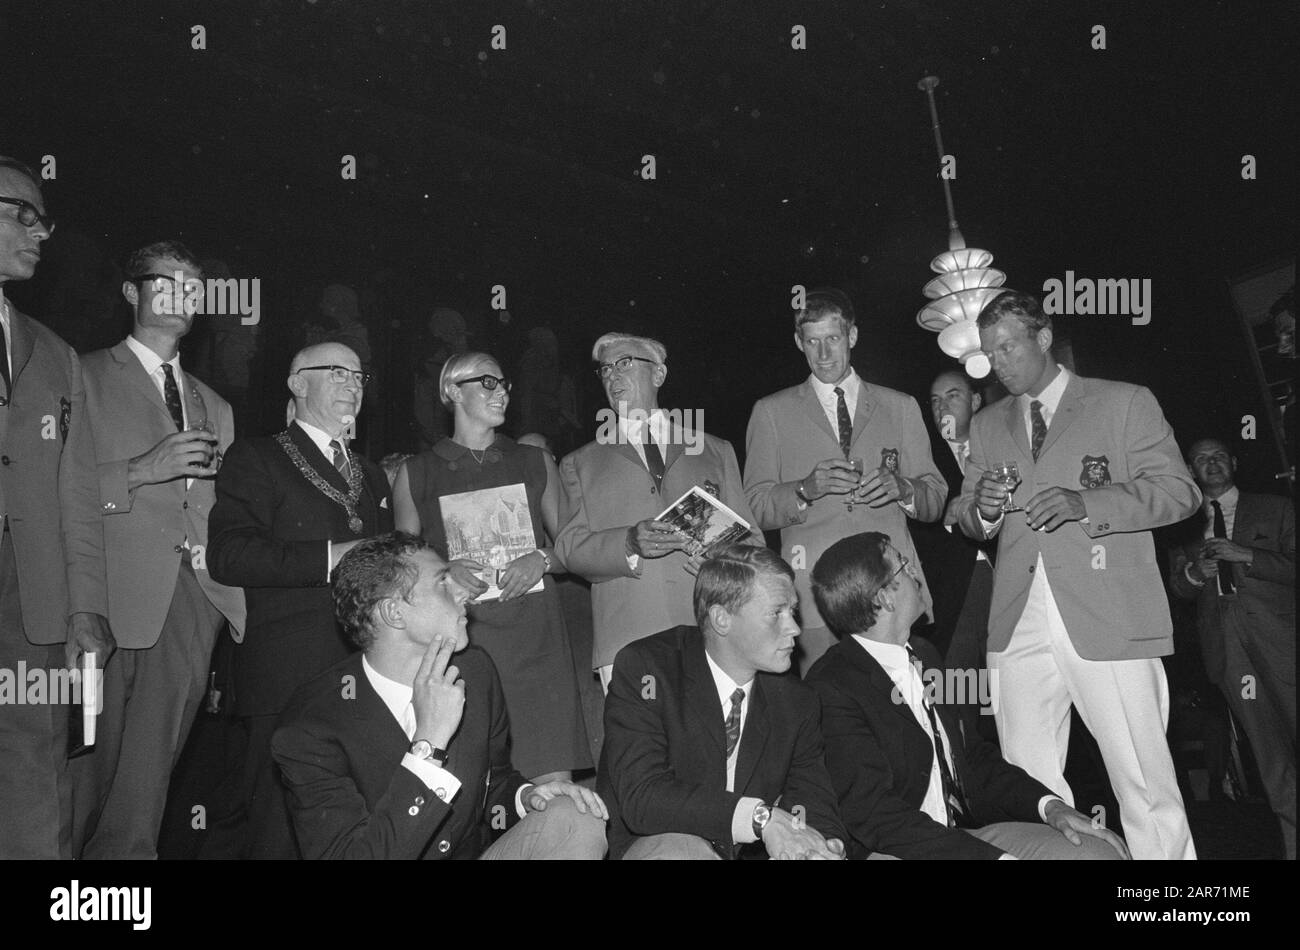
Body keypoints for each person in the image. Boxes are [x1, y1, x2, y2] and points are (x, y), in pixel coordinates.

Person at [954, 289, 1201, 860]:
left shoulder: (1123, 402)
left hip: (1106, 611)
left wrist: (1088, 504)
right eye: (990, 353)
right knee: (1029, 784)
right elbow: (964, 515)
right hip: (1017, 619)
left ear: (1044, 338)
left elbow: (1180, 493)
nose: (999, 363)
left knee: (1142, 778)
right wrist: (985, 509)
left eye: (1009, 347)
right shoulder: (987, 425)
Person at [272, 533, 607, 859]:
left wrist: (525, 796)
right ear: (394, 613)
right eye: (443, 583)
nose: (463, 593)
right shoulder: (311, 726)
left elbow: (493, 784)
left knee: (574, 817)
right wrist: (428, 746)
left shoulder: (474, 671)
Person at [75, 240, 246, 859]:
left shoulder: (216, 405)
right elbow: (41, 491)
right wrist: (140, 471)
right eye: (166, 281)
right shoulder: (79, 374)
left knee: (143, 801)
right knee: (71, 788)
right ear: (131, 292)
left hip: (187, 612)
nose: (181, 295)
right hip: (100, 603)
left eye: (193, 287)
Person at [807, 532, 1127, 860]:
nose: (916, 571)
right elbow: (876, 816)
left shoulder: (926, 654)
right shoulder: (832, 686)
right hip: (895, 849)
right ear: (885, 597)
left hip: (958, 836)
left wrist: (1051, 807)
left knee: (1095, 852)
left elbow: (973, 758)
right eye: (904, 566)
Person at [206, 341, 393, 858]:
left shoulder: (371, 473)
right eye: (337, 373)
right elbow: (228, 554)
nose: (353, 384)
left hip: (362, 674)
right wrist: (331, 556)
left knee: (354, 822)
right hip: (285, 675)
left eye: (359, 376)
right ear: (297, 383)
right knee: (275, 828)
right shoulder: (256, 456)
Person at [393, 351, 590, 783]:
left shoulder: (533, 461)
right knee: (466, 790)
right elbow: (401, 568)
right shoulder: (417, 472)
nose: (500, 391)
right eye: (487, 382)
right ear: (451, 391)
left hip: (537, 643)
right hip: (464, 644)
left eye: (504, 384)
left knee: (554, 790)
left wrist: (541, 559)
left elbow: (576, 548)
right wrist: (443, 572)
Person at [0, 155, 112, 859]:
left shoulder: (56, 355)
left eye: (45, 220)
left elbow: (76, 492)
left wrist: (83, 609)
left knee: (33, 761)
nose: (41, 234)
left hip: (29, 595)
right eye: (23, 215)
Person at [743, 288, 946, 675]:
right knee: (834, 720)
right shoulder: (770, 413)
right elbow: (754, 506)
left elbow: (934, 498)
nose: (823, 355)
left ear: (851, 336)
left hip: (894, 590)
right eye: (812, 342)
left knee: (907, 714)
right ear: (798, 343)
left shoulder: (901, 407)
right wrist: (804, 490)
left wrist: (904, 489)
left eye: (832, 339)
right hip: (816, 599)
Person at [599, 544, 847, 859]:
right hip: (661, 846)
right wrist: (760, 818)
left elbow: (811, 799)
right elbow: (644, 797)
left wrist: (822, 845)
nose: (795, 628)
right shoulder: (648, 670)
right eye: (776, 613)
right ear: (722, 619)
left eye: (793, 611)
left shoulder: (797, 701)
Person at [557, 332, 758, 692]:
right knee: (641, 749)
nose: (612, 376)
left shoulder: (715, 450)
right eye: (604, 370)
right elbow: (570, 549)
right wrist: (629, 543)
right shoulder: (580, 463)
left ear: (659, 374)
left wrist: (721, 562)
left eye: (625, 364)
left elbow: (752, 540)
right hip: (628, 641)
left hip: (714, 629)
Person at [1170, 437, 1295, 858]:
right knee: (1270, 757)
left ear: (1234, 462)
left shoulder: (1275, 507)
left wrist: (1247, 556)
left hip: (1283, 645)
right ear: (1191, 471)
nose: (1212, 464)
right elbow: (1177, 589)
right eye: (1201, 459)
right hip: (1230, 654)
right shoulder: (1182, 524)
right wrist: (1195, 574)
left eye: (1219, 455)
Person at [908, 370, 997, 739]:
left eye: (953, 396)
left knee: (1015, 695)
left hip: (1011, 583)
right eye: (935, 400)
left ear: (976, 401)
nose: (942, 406)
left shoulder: (1000, 446)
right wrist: (947, 518)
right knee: (960, 703)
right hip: (952, 594)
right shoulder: (920, 459)